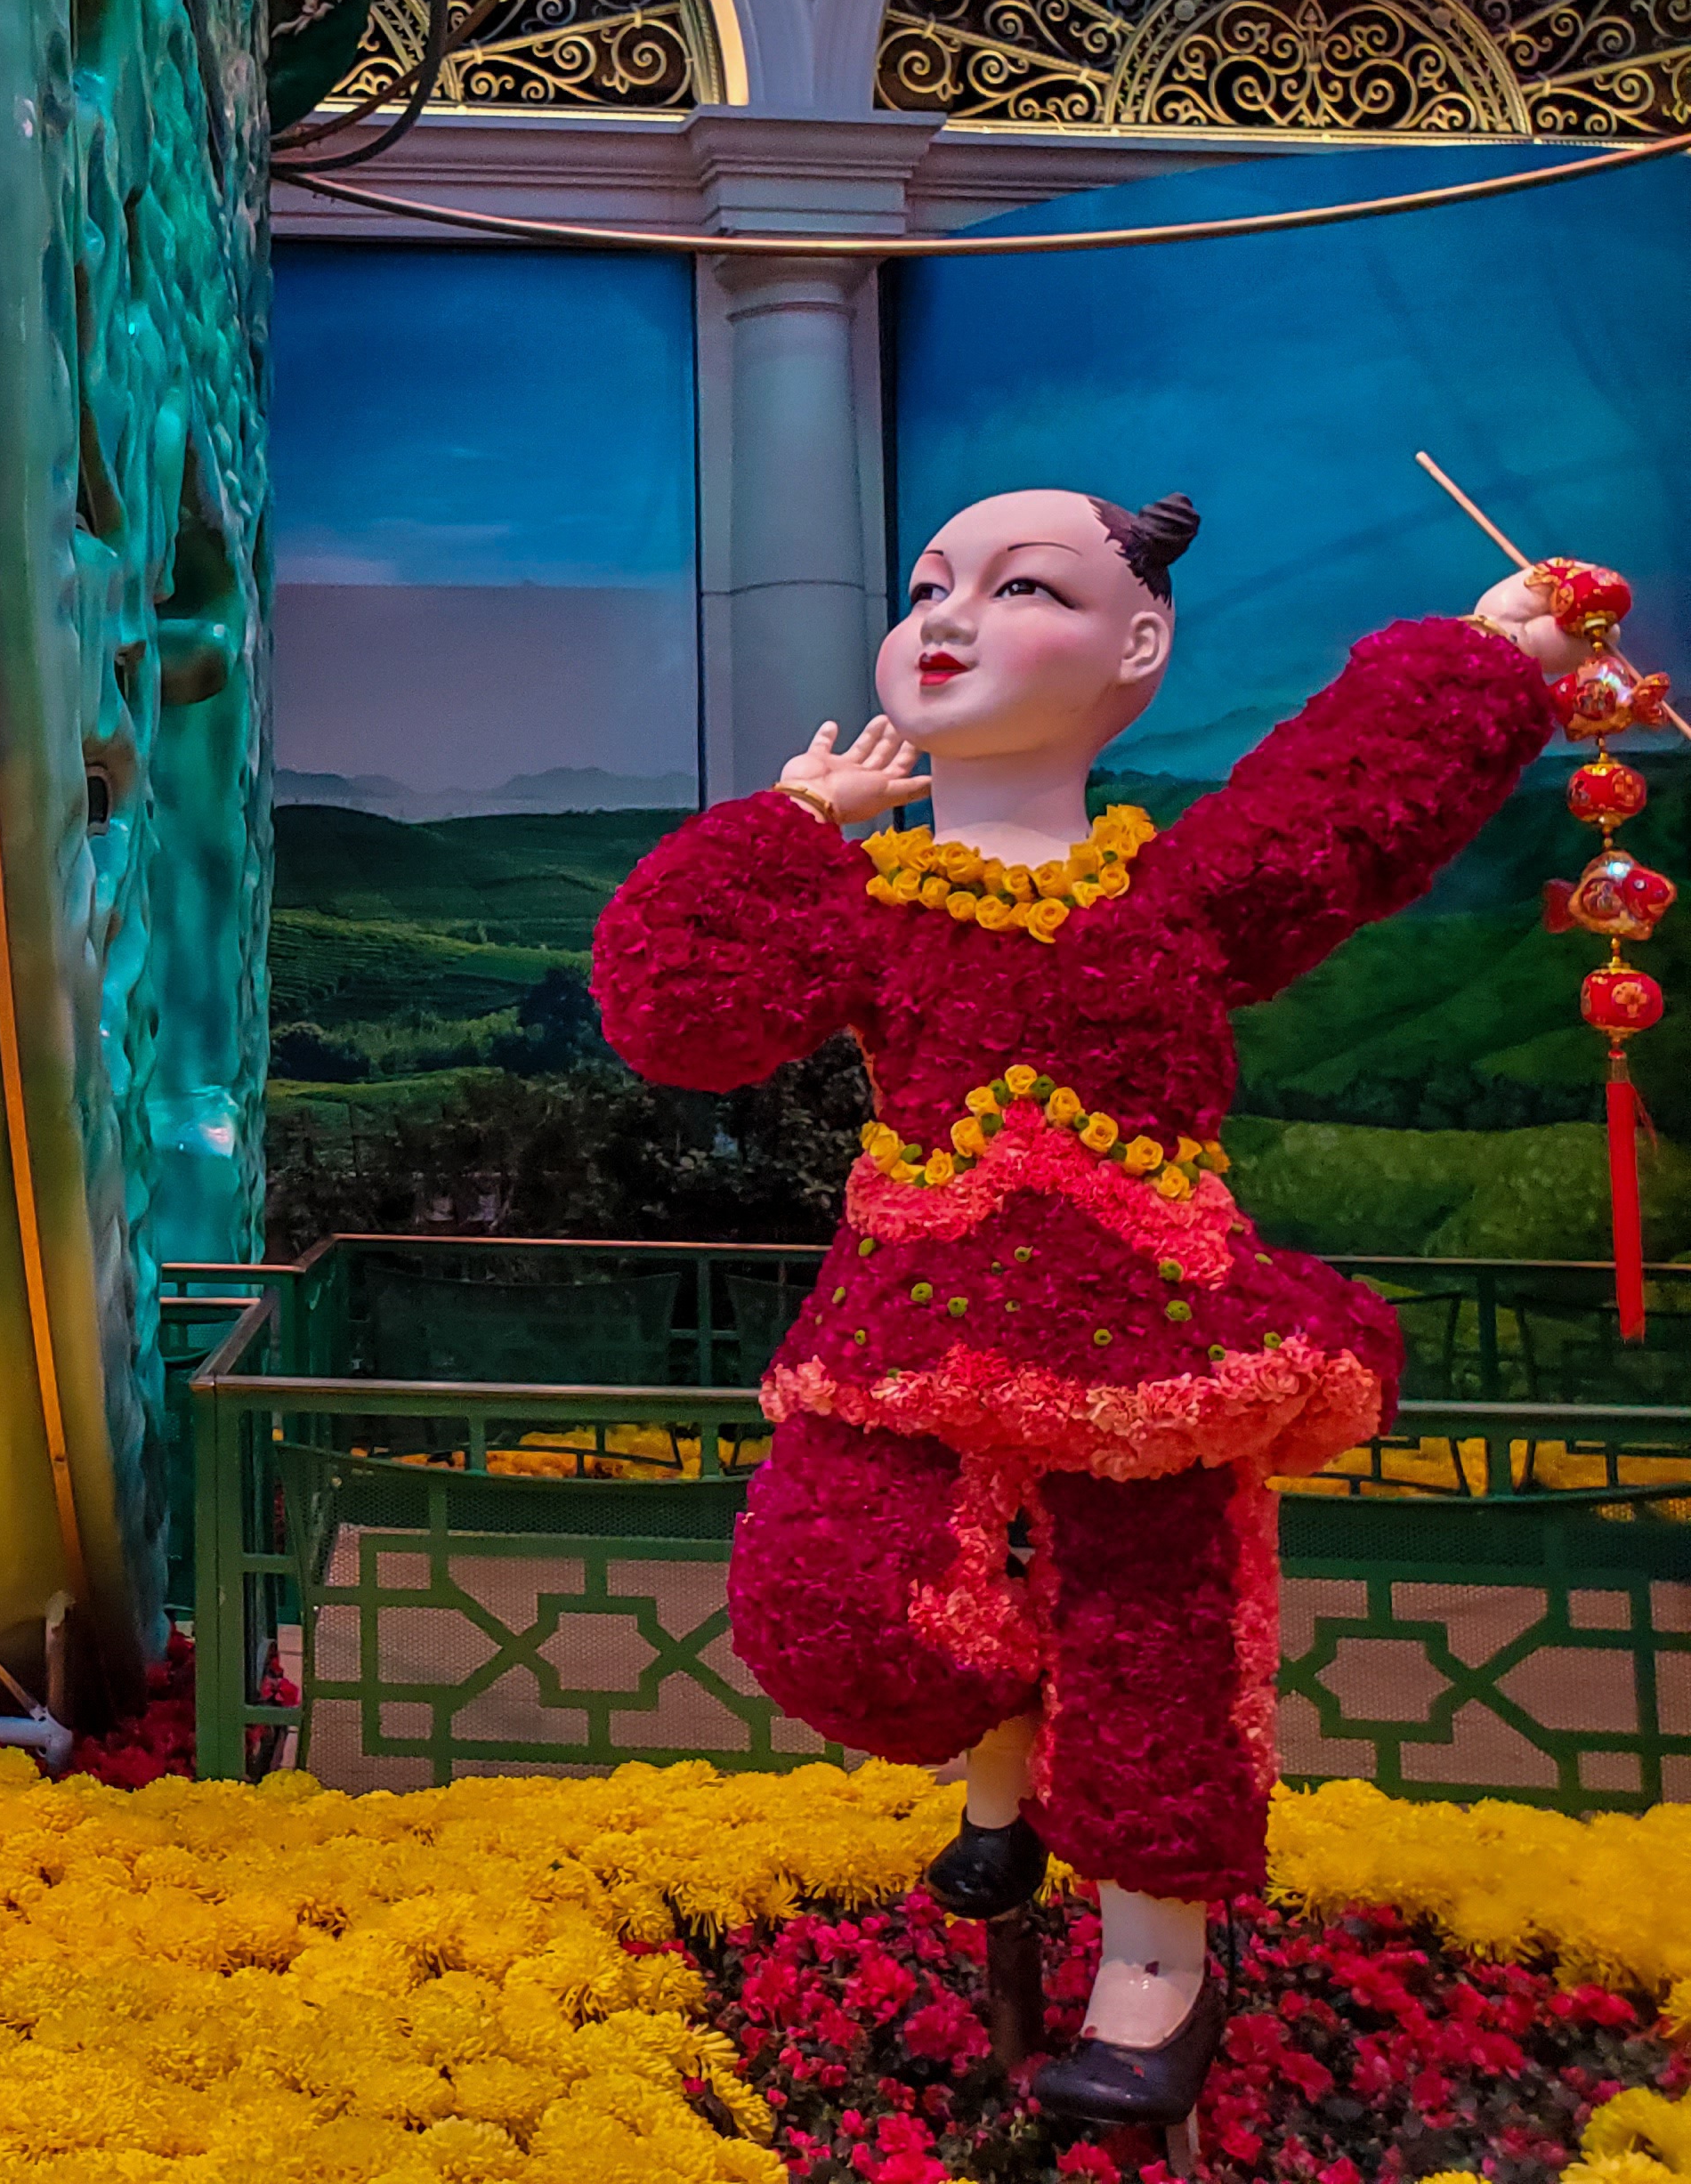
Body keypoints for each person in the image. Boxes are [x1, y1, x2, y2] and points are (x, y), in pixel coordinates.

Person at [590, 489, 1603, 2123]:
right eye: (930, 583)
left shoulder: (1181, 901)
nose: (952, 614)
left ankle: (1156, 1974)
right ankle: (1002, 1757)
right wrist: (793, 822)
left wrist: (1492, 660)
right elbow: (673, 1006)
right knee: (828, 1601)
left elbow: (1342, 807)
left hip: (1153, 1331)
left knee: (1159, 1638)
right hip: (911, 1324)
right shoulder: (870, 911)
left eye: (1022, 586)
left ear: (1138, 646)